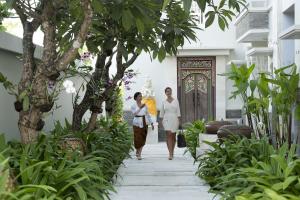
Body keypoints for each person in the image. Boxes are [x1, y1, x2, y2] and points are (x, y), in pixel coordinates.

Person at [131, 92, 154, 160]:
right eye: (139, 96)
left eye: (141, 96)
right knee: (137, 138)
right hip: (136, 122)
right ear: (135, 98)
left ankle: (139, 154)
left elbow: (147, 114)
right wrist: (140, 108)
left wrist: (151, 123)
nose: (140, 98)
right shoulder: (133, 105)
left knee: (143, 137)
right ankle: (137, 151)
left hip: (144, 121)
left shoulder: (145, 105)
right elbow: (134, 114)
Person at [160, 87, 181, 160]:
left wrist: (179, 121)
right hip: (166, 119)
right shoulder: (163, 101)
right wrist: (161, 121)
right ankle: (170, 153)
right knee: (168, 135)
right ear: (165, 93)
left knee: (173, 136)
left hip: (174, 118)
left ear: (171, 92)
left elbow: (178, 111)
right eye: (167, 91)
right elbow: (162, 112)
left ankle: (172, 151)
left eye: (170, 91)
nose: (168, 93)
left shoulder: (176, 101)